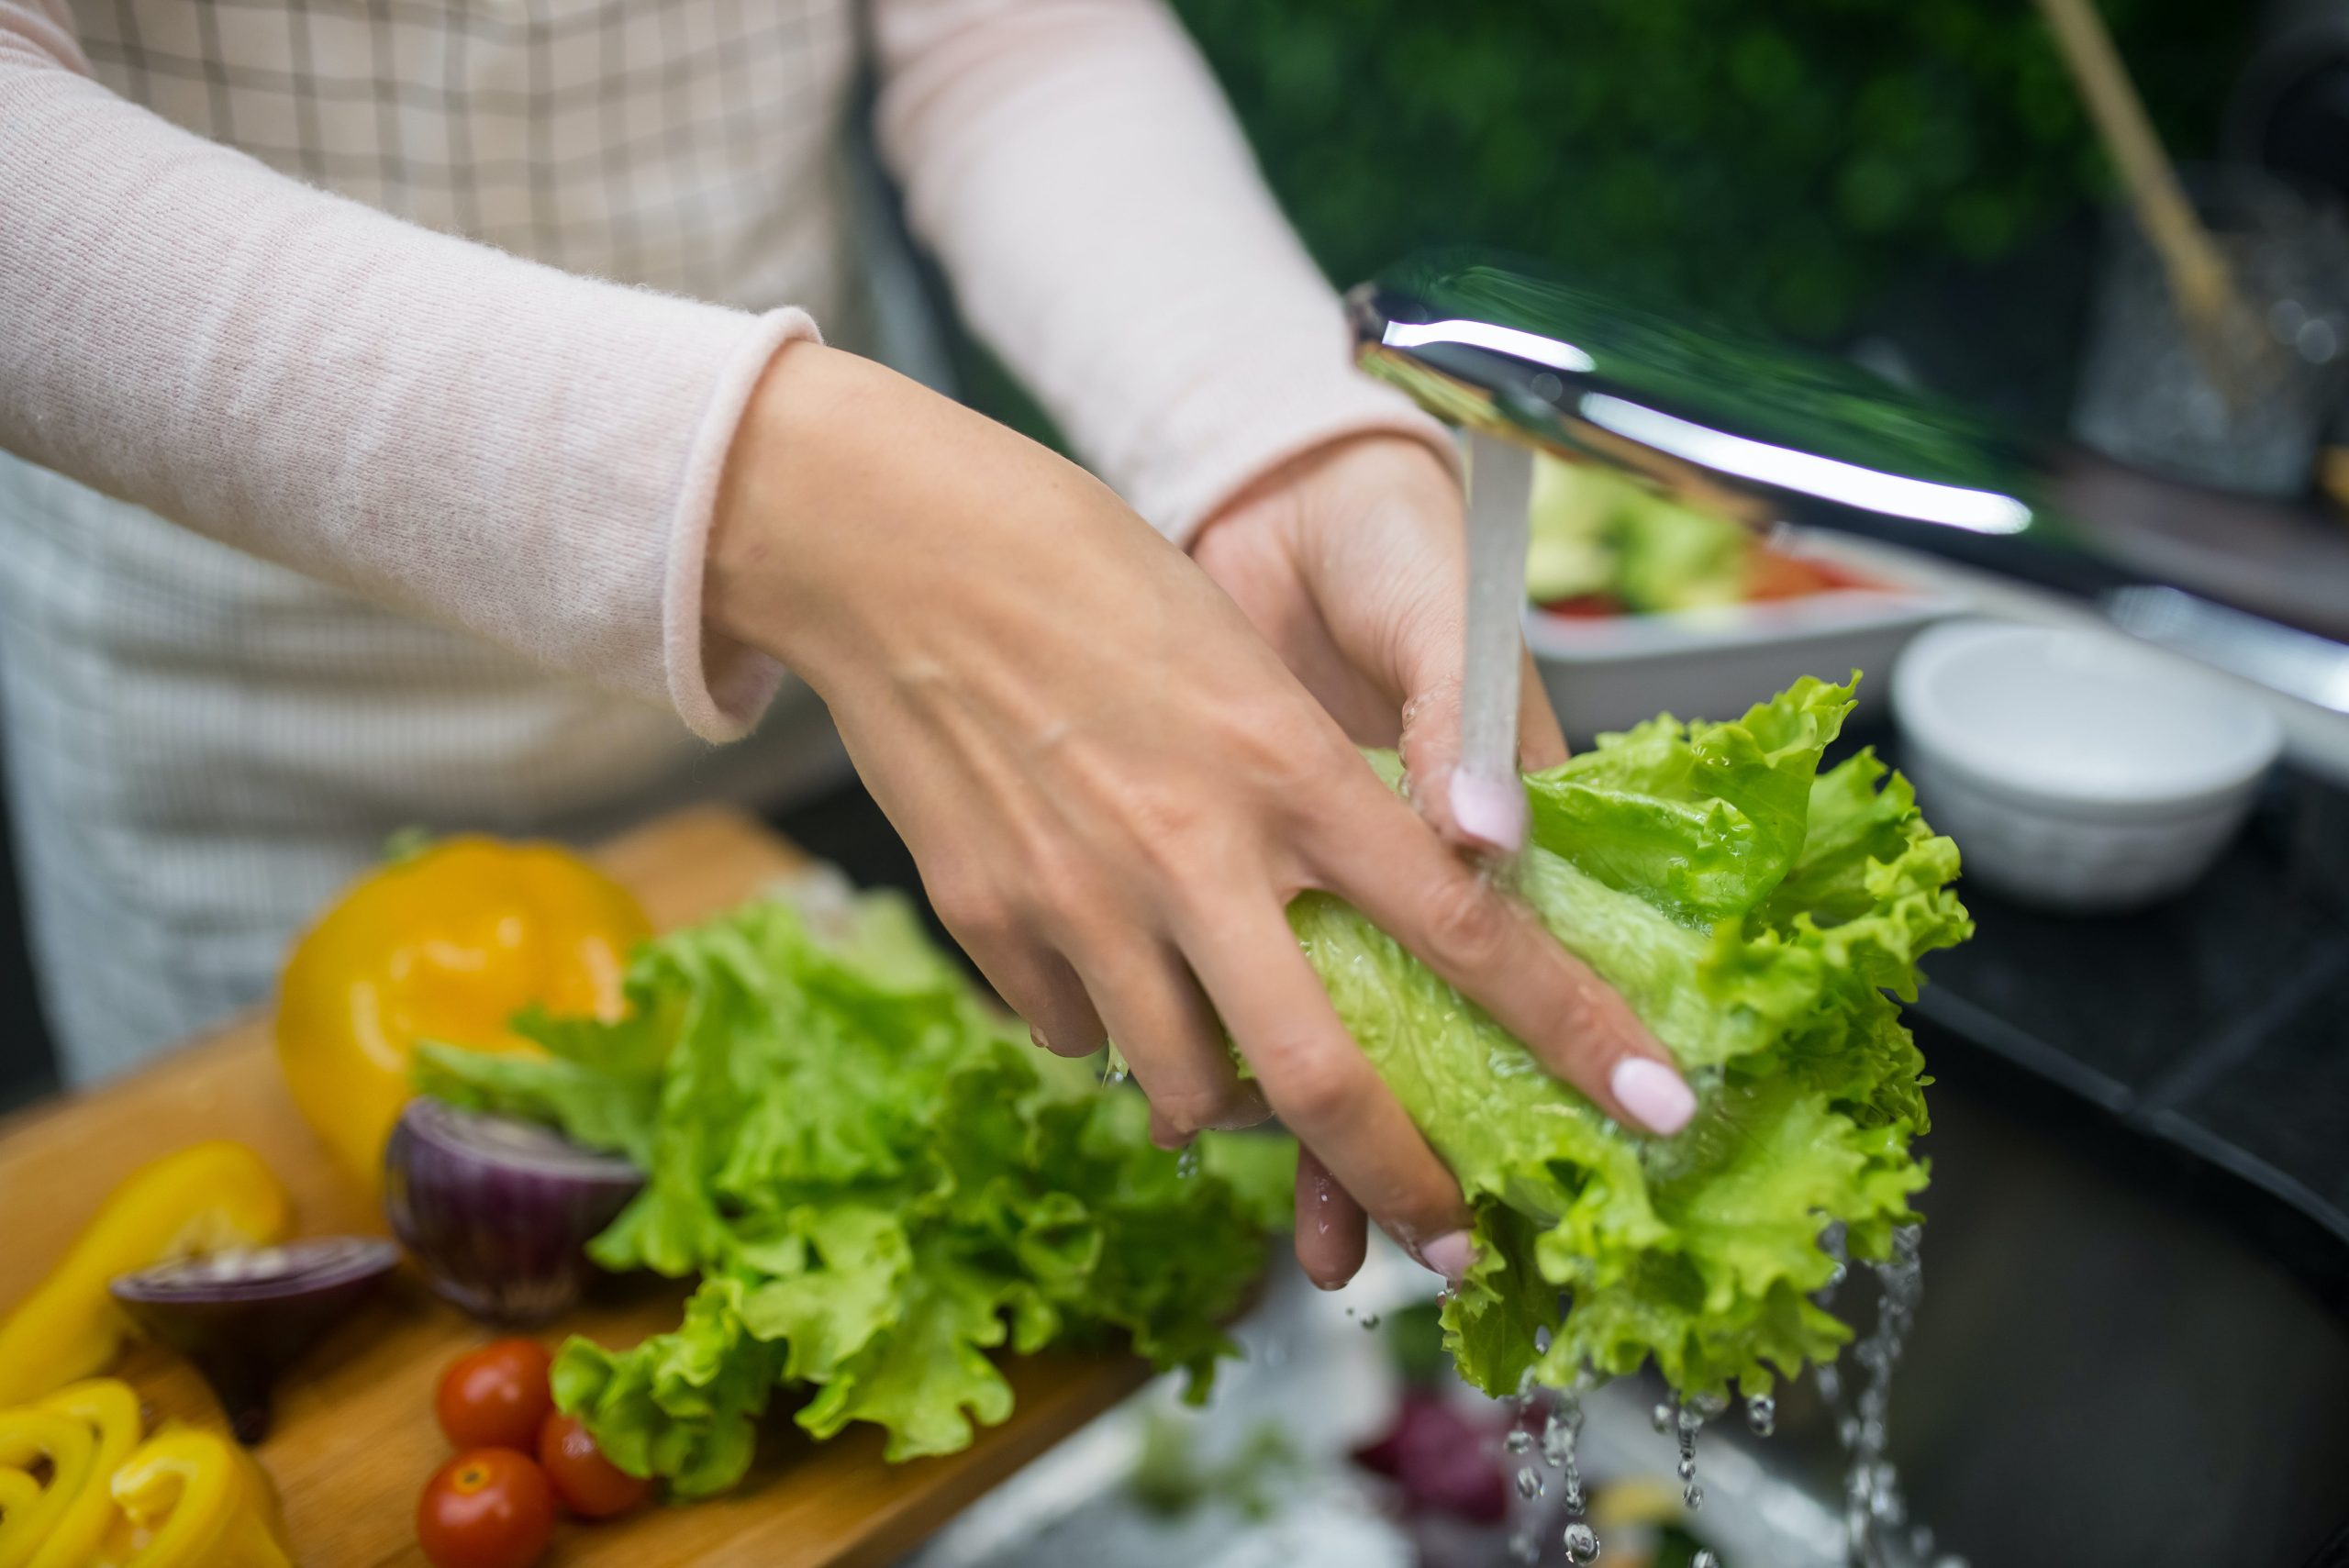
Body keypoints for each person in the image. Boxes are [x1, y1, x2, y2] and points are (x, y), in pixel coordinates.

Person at [0, 0, 1694, 1287]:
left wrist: (1269, 432)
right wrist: (786, 503)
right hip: (263, 787)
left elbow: (1006, 34)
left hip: (857, 742)